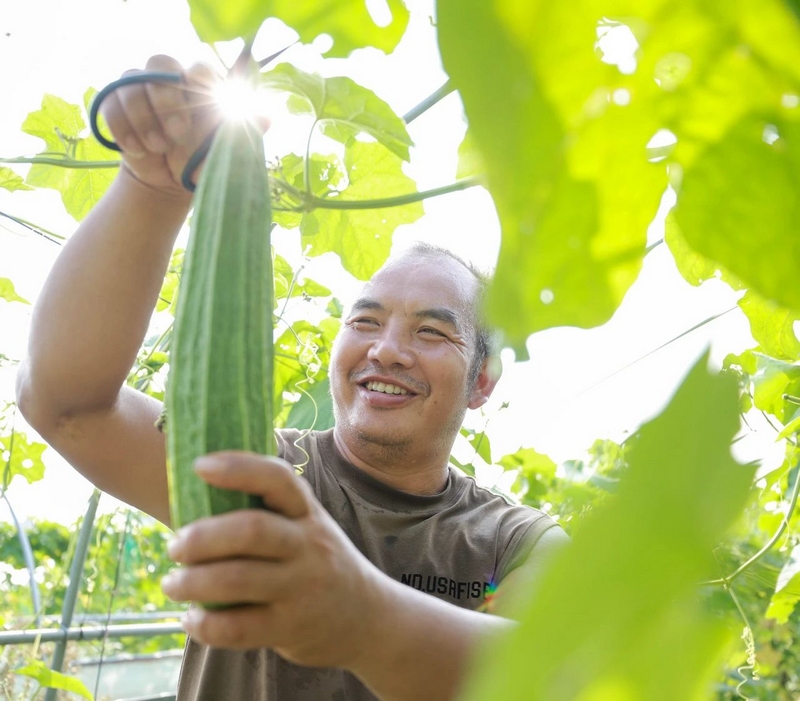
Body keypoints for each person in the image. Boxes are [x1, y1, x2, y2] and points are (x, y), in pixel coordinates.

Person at [15, 55, 567, 701]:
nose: (386, 350)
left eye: (431, 331)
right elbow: (67, 406)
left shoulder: (515, 542)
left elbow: (538, 677)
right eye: (365, 322)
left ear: (481, 383)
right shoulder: (257, 468)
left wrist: (364, 616)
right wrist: (153, 190)